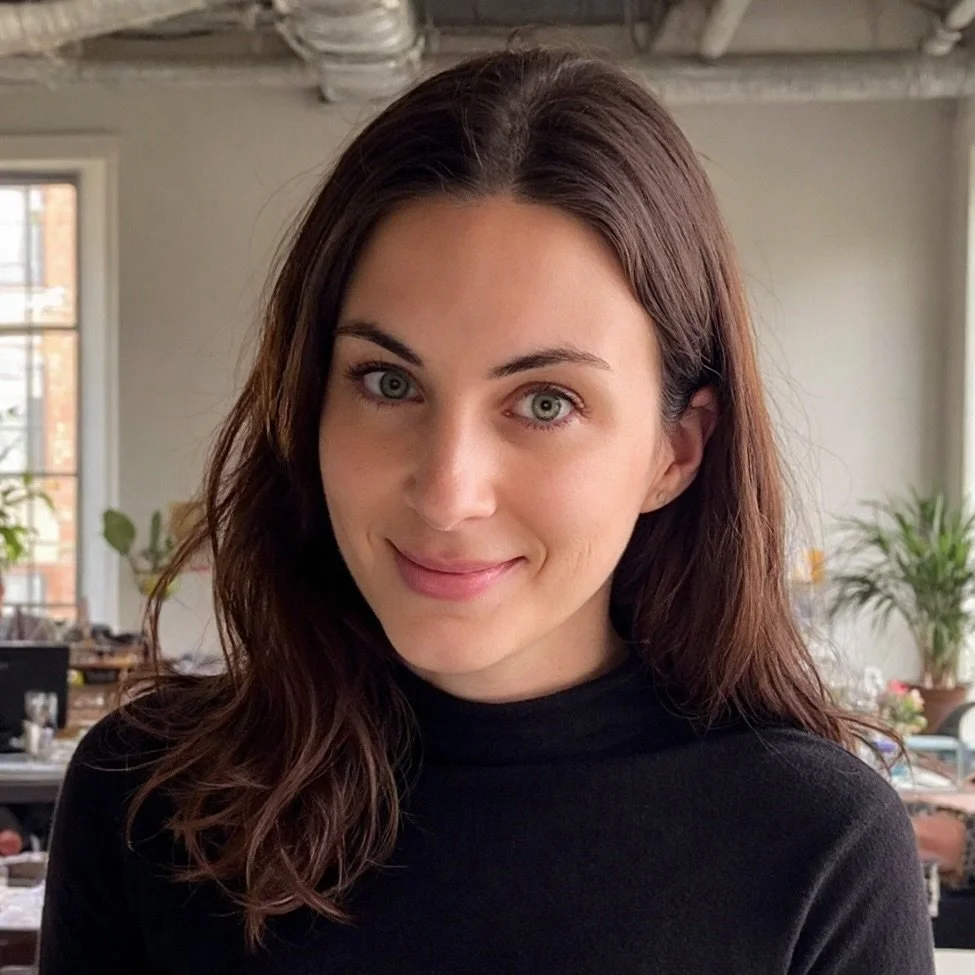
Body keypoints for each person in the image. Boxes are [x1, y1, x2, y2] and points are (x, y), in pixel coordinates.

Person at [38, 47, 935, 973]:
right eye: (387, 382)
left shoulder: (816, 849)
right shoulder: (152, 799)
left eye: (546, 401)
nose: (448, 489)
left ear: (675, 451)